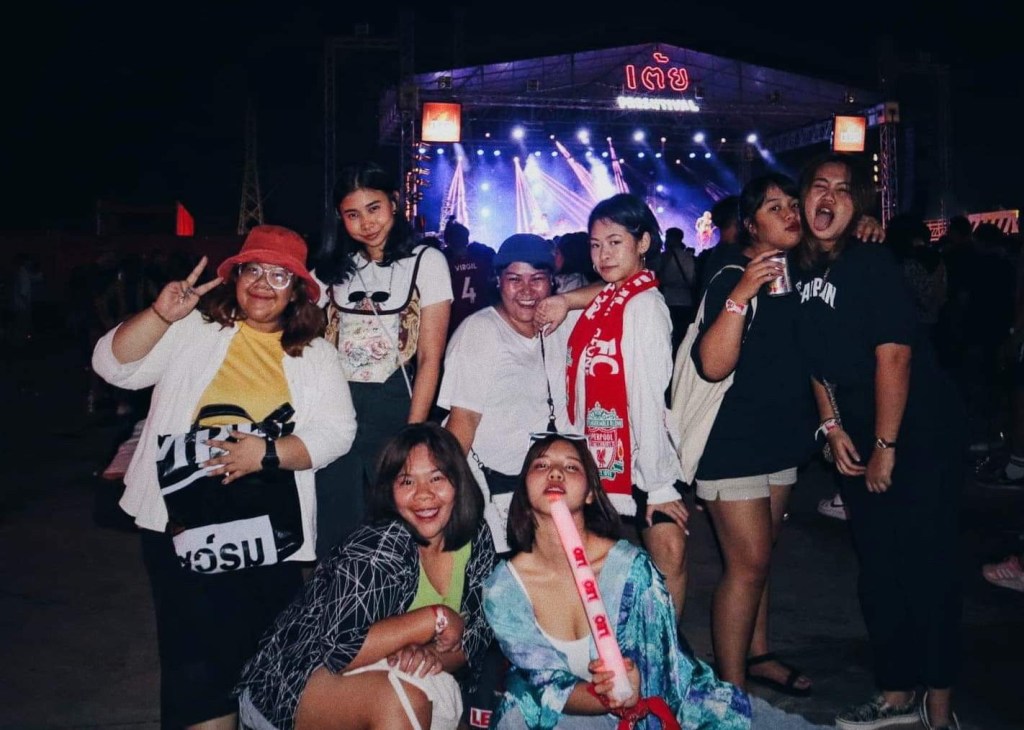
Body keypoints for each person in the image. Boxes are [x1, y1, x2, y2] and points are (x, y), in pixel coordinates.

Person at [91, 225, 357, 729]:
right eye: (253, 270)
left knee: (261, 651)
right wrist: (159, 315)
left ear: (297, 291)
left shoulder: (315, 354)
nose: (263, 284)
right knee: (194, 661)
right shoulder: (195, 329)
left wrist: (268, 454)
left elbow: (338, 432)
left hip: (266, 528)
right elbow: (114, 367)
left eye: (279, 275)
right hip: (180, 518)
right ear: (235, 277)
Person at [484, 434, 832, 730]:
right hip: (567, 713)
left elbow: (665, 673)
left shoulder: (632, 571)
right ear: (524, 489)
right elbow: (543, 685)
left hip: (657, 702)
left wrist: (632, 688)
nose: (556, 472)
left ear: (590, 493)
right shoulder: (504, 588)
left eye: (572, 467)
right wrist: (606, 696)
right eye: (541, 465)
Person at [794, 153, 965, 730]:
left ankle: (939, 701)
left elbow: (895, 355)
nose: (829, 196)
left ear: (859, 207)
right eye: (819, 186)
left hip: (918, 432)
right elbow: (815, 362)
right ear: (803, 199)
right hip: (858, 433)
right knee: (878, 566)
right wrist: (832, 426)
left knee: (928, 562)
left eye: (843, 190)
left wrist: (886, 447)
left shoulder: (870, 262)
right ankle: (895, 692)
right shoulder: (798, 269)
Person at [236, 423, 497, 730]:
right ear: (390, 491)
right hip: (291, 682)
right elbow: (339, 650)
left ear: (459, 483)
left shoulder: (475, 537)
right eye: (407, 481)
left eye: (437, 477)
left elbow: (478, 634)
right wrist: (434, 618)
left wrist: (426, 654)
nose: (424, 494)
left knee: (424, 694)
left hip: (384, 675)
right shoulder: (381, 542)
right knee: (401, 700)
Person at [686, 173, 818, 697]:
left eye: (792, 204)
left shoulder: (800, 271)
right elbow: (713, 366)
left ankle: (758, 655)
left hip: (780, 440)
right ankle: (730, 693)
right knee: (747, 565)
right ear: (750, 225)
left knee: (762, 558)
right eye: (773, 207)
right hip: (732, 444)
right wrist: (742, 292)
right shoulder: (728, 272)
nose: (789, 213)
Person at [558, 193, 690, 620]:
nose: (603, 255)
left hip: (639, 462)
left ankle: (665, 653)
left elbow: (648, 396)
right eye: (596, 245)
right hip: (606, 455)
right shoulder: (609, 299)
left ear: (643, 242)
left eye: (615, 242)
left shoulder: (643, 306)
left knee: (666, 562)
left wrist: (659, 484)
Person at [313, 161, 454, 555]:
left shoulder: (427, 261)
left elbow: (430, 357)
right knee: (336, 528)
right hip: (336, 411)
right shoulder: (331, 268)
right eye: (352, 214)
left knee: (395, 528)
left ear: (394, 202)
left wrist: (413, 433)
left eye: (373, 208)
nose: (366, 223)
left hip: (396, 408)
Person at [438, 233, 575, 553]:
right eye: (514, 279)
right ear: (498, 281)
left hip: (550, 486)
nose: (526, 290)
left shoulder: (563, 324)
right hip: (495, 487)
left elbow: (622, 289)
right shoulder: (480, 332)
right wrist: (446, 495)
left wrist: (568, 301)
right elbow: (462, 422)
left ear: (552, 282)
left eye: (537, 279)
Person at [442, 217, 494, 336]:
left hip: (456, 321)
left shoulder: (444, 262)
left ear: (448, 242)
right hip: (481, 315)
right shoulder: (481, 257)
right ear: (466, 239)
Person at [656, 226, 697, 356]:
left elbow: (661, 278)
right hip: (686, 302)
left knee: (668, 335)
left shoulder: (665, 257)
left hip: (669, 301)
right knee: (681, 337)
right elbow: (693, 279)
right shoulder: (689, 257)